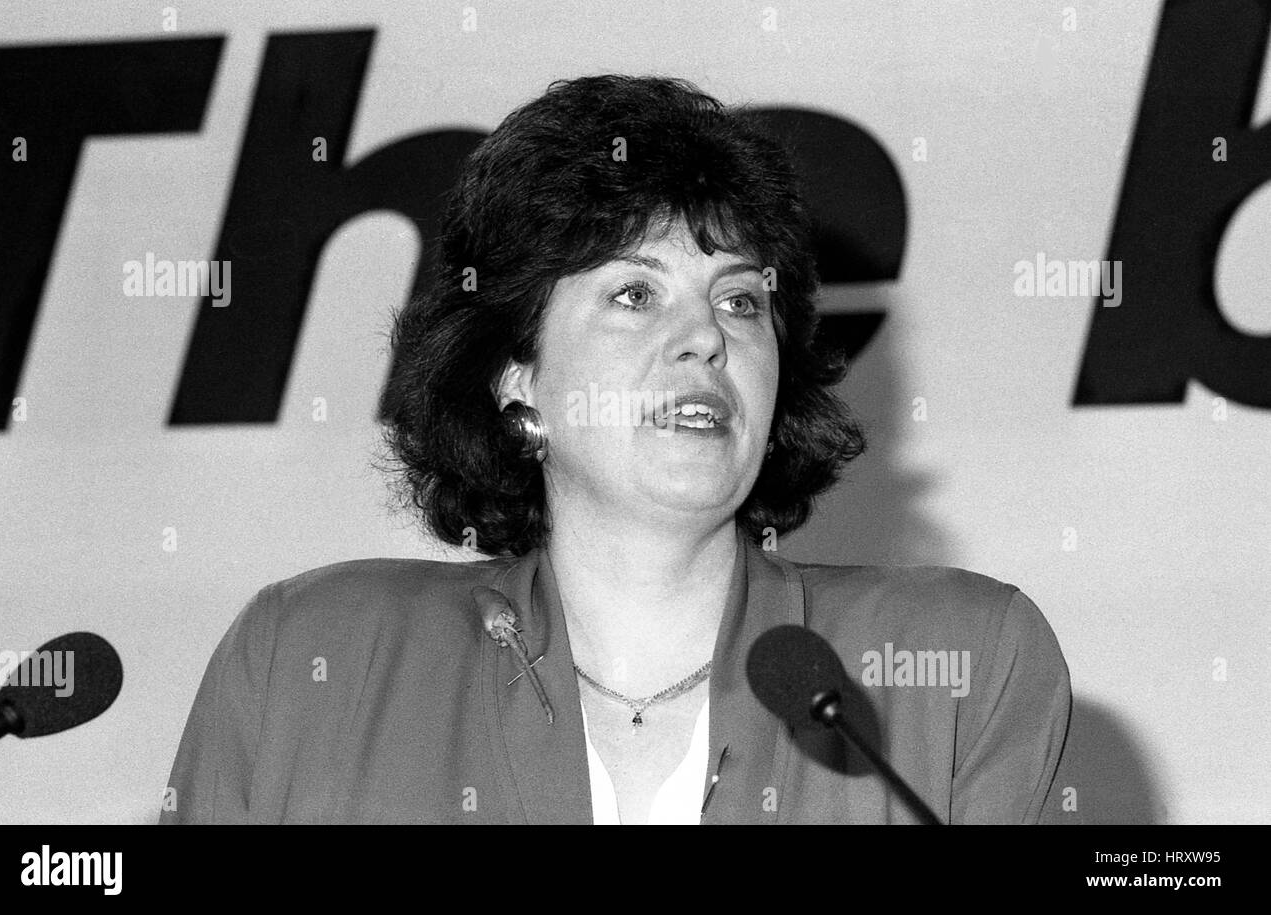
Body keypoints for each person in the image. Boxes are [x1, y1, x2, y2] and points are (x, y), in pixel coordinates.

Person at [160, 74, 1071, 825]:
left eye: (739, 299)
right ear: (517, 373)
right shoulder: (308, 662)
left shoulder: (957, 664)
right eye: (635, 293)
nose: (707, 338)